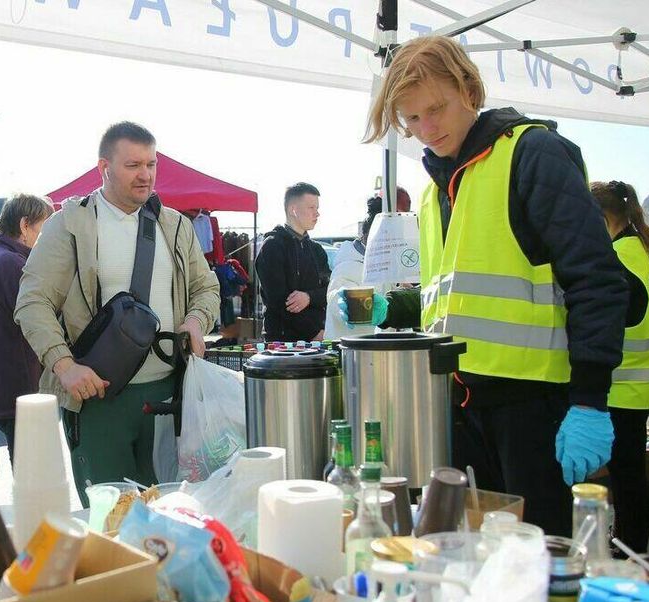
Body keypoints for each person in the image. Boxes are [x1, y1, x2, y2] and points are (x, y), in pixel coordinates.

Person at [358, 36, 627, 536]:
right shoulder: (434, 189)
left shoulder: (532, 154)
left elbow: (597, 279)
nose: (426, 129)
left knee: (541, 566)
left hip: (533, 415)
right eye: (412, 120)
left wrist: (590, 400)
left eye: (435, 109)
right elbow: (454, 296)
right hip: (460, 411)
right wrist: (394, 308)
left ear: (469, 89)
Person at [15, 121, 219, 501]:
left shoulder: (174, 225)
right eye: (133, 166)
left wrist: (195, 320)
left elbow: (206, 286)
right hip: (98, 400)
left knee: (170, 514)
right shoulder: (70, 224)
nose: (145, 175)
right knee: (108, 519)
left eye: (151, 164)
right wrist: (64, 365)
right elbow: (32, 302)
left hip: (169, 396)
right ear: (103, 167)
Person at [591, 180, 649, 553]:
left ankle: (628, 552)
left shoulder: (616, 261)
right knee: (633, 476)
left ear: (604, 218)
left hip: (626, 387)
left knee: (627, 480)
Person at [0, 194, 54, 463]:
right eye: (44, 228)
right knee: (34, 475)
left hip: (0, 385)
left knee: (29, 470)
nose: (47, 238)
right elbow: (40, 320)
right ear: (25, 224)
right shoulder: (11, 263)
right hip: (18, 387)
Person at [324, 189, 410, 339]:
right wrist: (345, 302)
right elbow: (335, 297)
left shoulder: (384, 266)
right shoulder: (348, 265)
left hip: (380, 351)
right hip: (353, 354)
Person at [255, 183, 331, 342]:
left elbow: (330, 291)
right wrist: (313, 333)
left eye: (317, 208)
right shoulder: (272, 246)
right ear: (293, 209)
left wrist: (309, 297)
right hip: (282, 344)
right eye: (311, 207)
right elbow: (279, 301)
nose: (317, 213)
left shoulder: (317, 250)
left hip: (318, 341)